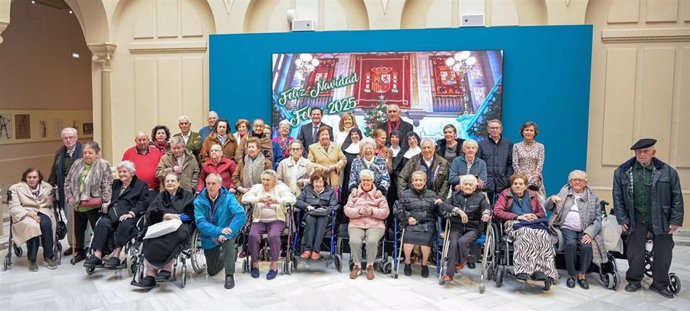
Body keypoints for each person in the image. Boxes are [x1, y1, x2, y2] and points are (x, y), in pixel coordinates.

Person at [613, 138, 684, 298]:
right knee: (634, 251)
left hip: (661, 219)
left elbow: (677, 197)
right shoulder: (622, 171)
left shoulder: (668, 172)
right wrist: (622, 219)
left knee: (663, 252)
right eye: (639, 152)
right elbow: (617, 197)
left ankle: (660, 284)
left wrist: (675, 220)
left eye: (646, 151)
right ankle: (634, 280)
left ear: (653, 152)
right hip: (635, 218)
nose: (642, 154)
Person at [546, 170, 608, 290]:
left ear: (585, 182)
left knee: (587, 246)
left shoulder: (593, 197)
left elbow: (598, 219)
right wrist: (551, 199)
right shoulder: (564, 193)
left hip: (586, 228)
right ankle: (571, 274)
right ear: (570, 182)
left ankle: (582, 275)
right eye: (575, 179)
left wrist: (590, 234)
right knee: (570, 244)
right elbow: (548, 207)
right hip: (567, 227)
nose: (578, 182)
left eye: (581, 180)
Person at [84, 161, 151, 269]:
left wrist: (131, 213)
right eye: (120, 172)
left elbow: (143, 202)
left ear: (132, 172)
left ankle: (116, 255)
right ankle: (97, 255)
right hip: (114, 213)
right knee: (102, 222)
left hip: (129, 214)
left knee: (124, 225)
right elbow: (110, 197)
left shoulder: (141, 185)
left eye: (125, 171)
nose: (121, 174)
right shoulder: (115, 183)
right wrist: (107, 203)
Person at [493, 173, 557, 283]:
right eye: (515, 184)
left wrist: (534, 215)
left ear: (525, 186)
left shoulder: (532, 194)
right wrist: (518, 216)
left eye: (520, 184)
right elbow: (497, 211)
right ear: (511, 185)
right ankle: (523, 270)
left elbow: (541, 212)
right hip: (514, 222)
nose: (517, 186)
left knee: (543, 235)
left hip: (532, 222)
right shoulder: (505, 194)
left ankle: (542, 271)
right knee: (526, 234)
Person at [135, 173, 195, 288]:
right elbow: (150, 212)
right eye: (167, 181)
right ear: (164, 184)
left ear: (178, 183)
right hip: (162, 225)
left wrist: (177, 217)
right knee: (149, 237)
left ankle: (166, 269)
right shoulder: (160, 196)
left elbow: (192, 214)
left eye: (173, 181)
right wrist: (165, 215)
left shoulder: (187, 196)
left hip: (181, 226)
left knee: (174, 236)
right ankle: (150, 274)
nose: (170, 183)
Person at [195, 173, 247, 290]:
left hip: (227, 233)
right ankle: (229, 255)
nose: (210, 186)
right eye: (208, 183)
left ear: (220, 184)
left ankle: (229, 275)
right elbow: (201, 223)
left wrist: (227, 231)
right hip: (210, 235)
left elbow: (241, 215)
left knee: (228, 242)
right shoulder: (199, 201)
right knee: (212, 271)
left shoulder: (228, 197)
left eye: (213, 183)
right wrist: (219, 231)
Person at [64, 142, 113, 263]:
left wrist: (105, 200)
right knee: (79, 230)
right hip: (77, 203)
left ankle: (99, 253)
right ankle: (80, 251)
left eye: (90, 153)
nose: (87, 155)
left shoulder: (103, 164)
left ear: (97, 154)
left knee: (98, 230)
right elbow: (68, 181)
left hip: (94, 204)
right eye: (85, 152)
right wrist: (69, 197)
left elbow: (107, 183)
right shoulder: (77, 163)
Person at [242, 170, 296, 280]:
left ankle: (274, 265)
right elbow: (244, 198)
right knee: (252, 236)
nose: (265, 182)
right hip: (259, 220)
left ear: (274, 181)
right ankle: (255, 264)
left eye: (268, 180)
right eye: (263, 179)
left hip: (277, 219)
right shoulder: (257, 187)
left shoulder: (281, 188)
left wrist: (277, 201)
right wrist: (259, 199)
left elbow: (292, 199)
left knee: (274, 236)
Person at [439, 174, 491, 282]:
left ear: (475, 186)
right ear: (461, 186)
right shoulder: (455, 195)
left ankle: (462, 261)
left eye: (470, 184)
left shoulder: (480, 197)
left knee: (462, 241)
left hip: (474, 228)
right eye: (465, 184)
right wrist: (458, 211)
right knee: (453, 244)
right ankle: (449, 273)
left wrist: (486, 214)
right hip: (456, 227)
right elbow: (443, 205)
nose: (468, 186)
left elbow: (487, 208)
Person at [394, 171, 443, 278]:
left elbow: (439, 212)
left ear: (425, 181)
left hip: (427, 223)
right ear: (412, 182)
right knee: (408, 237)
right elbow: (398, 209)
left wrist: (440, 205)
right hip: (411, 224)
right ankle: (407, 262)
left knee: (426, 240)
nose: (418, 182)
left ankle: (424, 264)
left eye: (421, 180)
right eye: (416, 180)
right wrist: (408, 218)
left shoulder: (432, 195)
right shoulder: (405, 194)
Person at [9, 168, 58, 271]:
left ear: (39, 178)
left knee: (46, 224)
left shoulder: (47, 187)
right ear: (25, 178)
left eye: (34, 177)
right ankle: (32, 259)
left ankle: (49, 256)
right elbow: (14, 207)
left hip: (43, 210)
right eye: (29, 177)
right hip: (25, 212)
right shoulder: (16, 188)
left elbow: (51, 203)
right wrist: (29, 214)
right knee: (32, 226)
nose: (32, 179)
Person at [344, 169, 389, 280]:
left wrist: (372, 211)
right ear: (360, 180)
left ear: (373, 181)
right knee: (354, 241)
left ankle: (370, 266)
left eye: (368, 180)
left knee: (372, 241)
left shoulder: (379, 195)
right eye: (363, 180)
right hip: (357, 223)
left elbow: (385, 212)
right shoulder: (354, 194)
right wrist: (359, 211)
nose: (366, 182)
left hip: (375, 224)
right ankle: (357, 266)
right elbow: (347, 210)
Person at [48, 127, 83, 256]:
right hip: (67, 191)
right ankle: (74, 245)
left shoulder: (85, 151)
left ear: (76, 137)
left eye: (71, 137)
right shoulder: (59, 153)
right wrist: (49, 186)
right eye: (65, 138)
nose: (68, 140)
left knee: (84, 220)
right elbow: (54, 172)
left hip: (83, 190)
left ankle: (85, 245)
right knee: (70, 218)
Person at [295, 171, 338, 260]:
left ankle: (316, 251)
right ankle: (308, 250)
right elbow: (297, 201)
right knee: (310, 219)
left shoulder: (330, 191)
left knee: (321, 221)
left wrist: (326, 210)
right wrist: (307, 206)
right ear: (312, 182)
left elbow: (334, 205)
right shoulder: (307, 189)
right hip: (310, 213)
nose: (318, 184)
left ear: (324, 182)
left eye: (320, 182)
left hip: (324, 215)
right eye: (316, 182)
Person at [478, 119, 513, 203]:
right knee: (486, 209)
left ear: (501, 129)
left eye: (497, 128)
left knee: (500, 210)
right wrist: (479, 178)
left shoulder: (508, 144)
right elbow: (477, 163)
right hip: (486, 183)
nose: (494, 130)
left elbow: (510, 163)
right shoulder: (481, 144)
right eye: (492, 128)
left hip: (503, 183)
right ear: (488, 129)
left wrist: (507, 179)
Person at [512, 121, 545, 197]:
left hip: (535, 180)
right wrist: (522, 179)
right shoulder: (516, 146)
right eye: (526, 130)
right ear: (522, 132)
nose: (528, 132)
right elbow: (515, 163)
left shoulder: (540, 146)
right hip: (519, 180)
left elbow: (540, 165)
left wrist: (532, 179)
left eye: (531, 130)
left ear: (535, 133)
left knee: (536, 204)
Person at [341, 128, 363, 205]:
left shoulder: (363, 148)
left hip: (362, 179)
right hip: (348, 178)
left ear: (360, 135)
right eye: (352, 134)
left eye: (356, 134)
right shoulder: (346, 148)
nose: (354, 136)